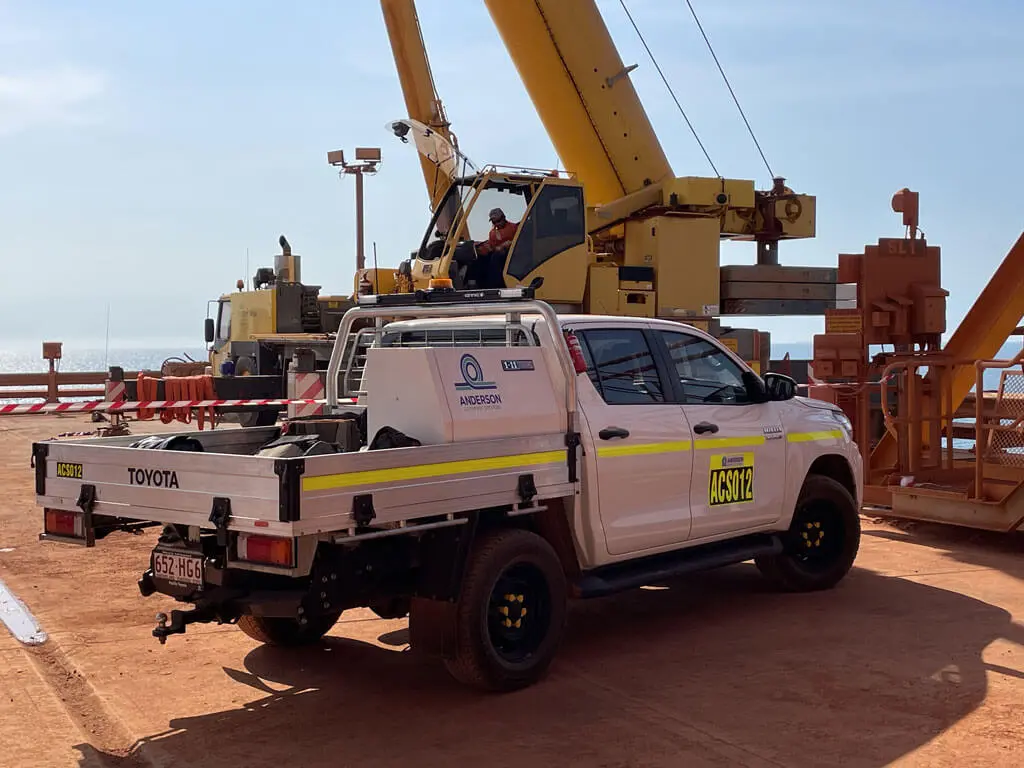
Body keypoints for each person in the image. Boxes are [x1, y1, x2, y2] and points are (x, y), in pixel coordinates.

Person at [470, 208, 518, 288]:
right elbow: (492, 247)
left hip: (511, 254)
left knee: (497, 257)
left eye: (498, 221)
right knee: (478, 259)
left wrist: (506, 244)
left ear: (504, 218)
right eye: (493, 222)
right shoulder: (492, 233)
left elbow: (520, 241)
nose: (496, 224)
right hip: (495, 253)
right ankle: (479, 285)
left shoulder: (513, 227)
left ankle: (495, 285)